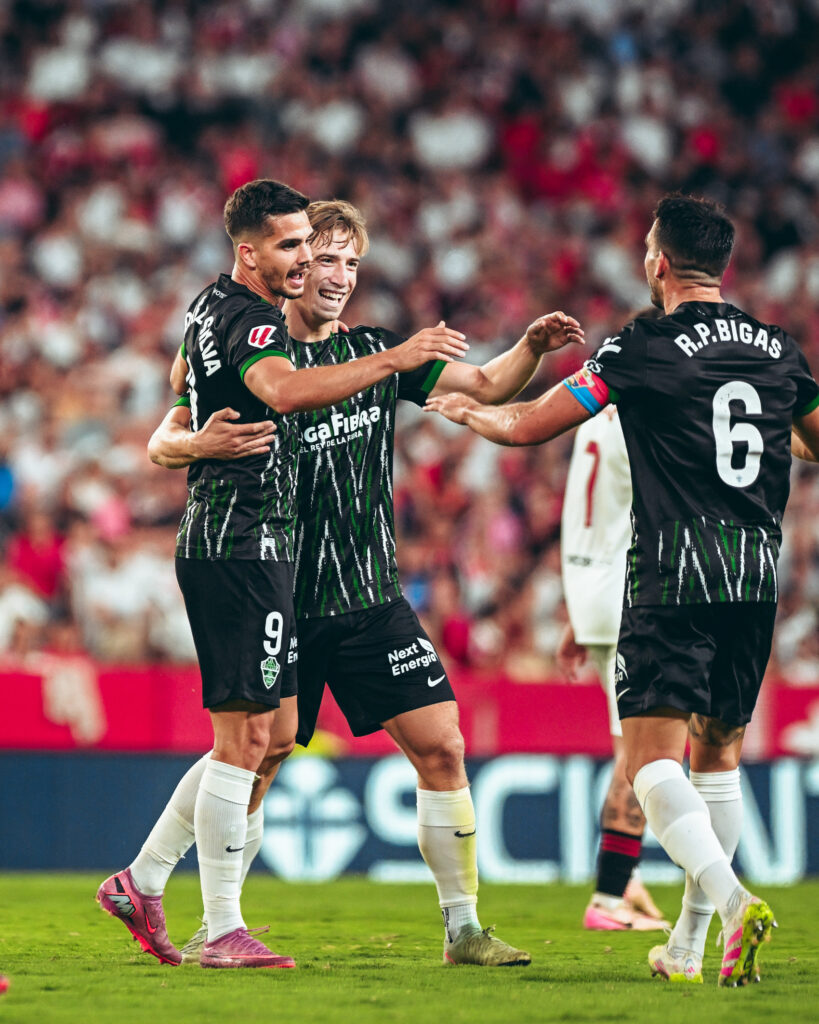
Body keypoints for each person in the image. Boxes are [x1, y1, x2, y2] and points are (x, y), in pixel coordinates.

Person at [150, 198, 583, 967]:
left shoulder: (378, 349)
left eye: (352, 262)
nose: (339, 275)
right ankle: (209, 915)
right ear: (291, 266)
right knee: (255, 753)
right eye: (324, 258)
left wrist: (528, 348)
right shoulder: (246, 352)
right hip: (282, 590)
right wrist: (191, 444)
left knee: (441, 745)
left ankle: (463, 929)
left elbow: (486, 384)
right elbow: (169, 432)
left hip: (367, 595)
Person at [426, 194, 819, 987]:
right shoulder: (778, 349)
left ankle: (734, 902)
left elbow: (531, 424)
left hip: (673, 574)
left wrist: (470, 413)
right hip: (753, 578)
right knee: (718, 759)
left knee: (648, 762)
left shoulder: (642, 345)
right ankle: (686, 946)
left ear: (659, 263)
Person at [97, 180, 468, 970]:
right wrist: (393, 357)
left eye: (315, 247)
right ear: (249, 251)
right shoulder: (253, 320)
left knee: (258, 738)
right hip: (242, 540)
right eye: (292, 246)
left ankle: (145, 879)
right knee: (246, 740)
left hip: (258, 547)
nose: (305, 260)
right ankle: (219, 928)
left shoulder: (208, 307)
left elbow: (182, 391)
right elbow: (281, 391)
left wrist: (189, 441)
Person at [557, 399, 667, 932]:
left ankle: (627, 878)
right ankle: (608, 896)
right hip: (629, 597)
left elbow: (593, 518)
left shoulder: (593, 420)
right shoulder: (646, 418)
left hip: (593, 594)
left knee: (633, 748)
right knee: (640, 755)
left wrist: (578, 616)